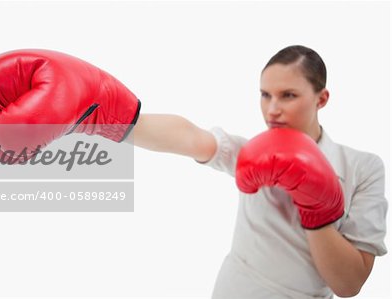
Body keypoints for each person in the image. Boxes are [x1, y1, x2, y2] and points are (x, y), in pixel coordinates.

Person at [131, 45, 388, 298]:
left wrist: (316, 212)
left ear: (321, 99)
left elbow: (349, 285)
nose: (272, 109)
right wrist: (119, 122)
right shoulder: (251, 153)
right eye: (265, 95)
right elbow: (190, 137)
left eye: (288, 95)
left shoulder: (363, 168)